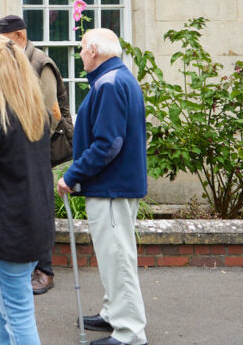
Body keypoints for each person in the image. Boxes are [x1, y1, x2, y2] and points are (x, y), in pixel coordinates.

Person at [57, 29, 148, 345]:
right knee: (116, 255)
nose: (80, 53)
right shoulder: (118, 78)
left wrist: (71, 175)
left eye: (82, 48)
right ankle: (114, 314)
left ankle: (130, 332)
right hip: (116, 185)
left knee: (118, 257)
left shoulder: (109, 84)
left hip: (111, 186)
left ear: (93, 49)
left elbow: (108, 144)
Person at [0, 36, 54, 345]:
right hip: (35, 222)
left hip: (9, 227)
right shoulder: (37, 114)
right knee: (2, 302)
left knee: (17, 314)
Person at [0, 13, 73, 295]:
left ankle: (45, 270)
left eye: (4, 41)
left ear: (19, 36)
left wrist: (20, 145)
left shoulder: (41, 63)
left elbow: (47, 114)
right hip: (14, 149)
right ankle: (23, 266)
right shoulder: (11, 60)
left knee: (40, 209)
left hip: (37, 148)